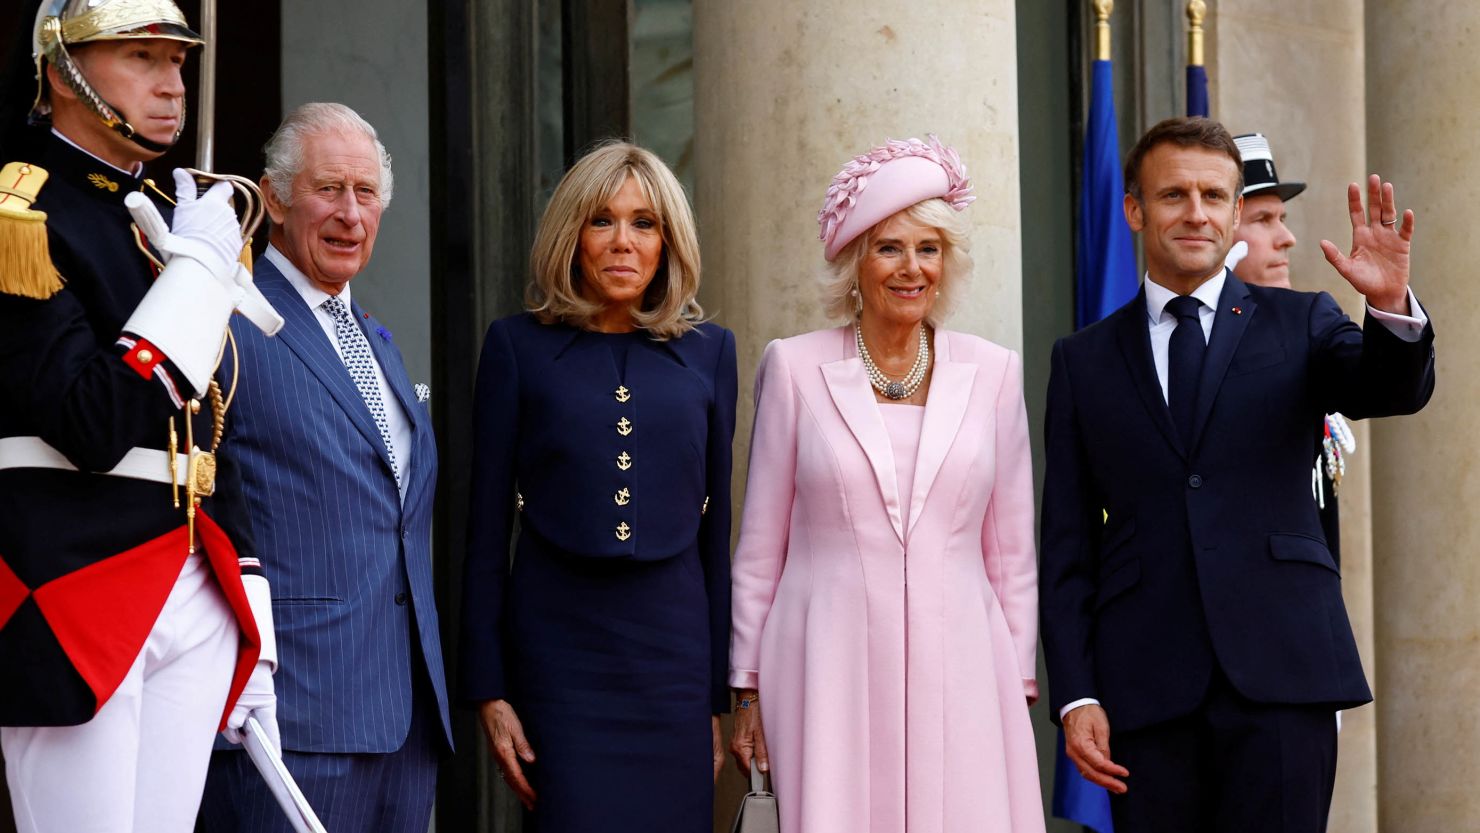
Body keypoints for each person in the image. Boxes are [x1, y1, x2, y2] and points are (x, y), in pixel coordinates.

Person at [1040, 116, 1435, 833]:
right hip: (1147, 691)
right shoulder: (1082, 360)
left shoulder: (1302, 321)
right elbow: (1066, 547)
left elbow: (1389, 389)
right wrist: (1076, 693)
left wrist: (1387, 307)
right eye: (1174, 196)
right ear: (1134, 209)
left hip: (1284, 678)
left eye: (1215, 197)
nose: (1197, 213)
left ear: (1232, 214)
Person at [0, 2, 278, 831]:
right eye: (142, 58)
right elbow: (89, 420)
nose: (172, 86)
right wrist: (194, 277)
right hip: (72, 579)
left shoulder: (162, 210)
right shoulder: (21, 211)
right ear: (63, 71)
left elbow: (210, 425)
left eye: (180, 63)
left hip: (190, 571)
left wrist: (248, 593)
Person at [728, 136, 1045, 833]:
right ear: (855, 264)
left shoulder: (994, 373)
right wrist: (746, 687)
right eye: (889, 248)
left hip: (963, 657)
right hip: (823, 661)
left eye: (928, 248)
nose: (911, 268)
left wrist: (1014, 677)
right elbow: (759, 546)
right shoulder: (793, 368)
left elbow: (1013, 551)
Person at [460, 141, 736, 832]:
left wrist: (716, 698)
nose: (623, 242)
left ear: (667, 242)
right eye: (602, 221)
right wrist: (490, 689)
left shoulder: (711, 353)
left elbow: (718, 534)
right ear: (572, 236)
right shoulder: (515, 348)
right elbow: (485, 534)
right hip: (560, 666)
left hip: (672, 668)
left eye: (644, 223)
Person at [197, 103, 451, 833]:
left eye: (365, 193)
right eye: (328, 189)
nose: (350, 213)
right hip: (288, 719)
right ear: (273, 198)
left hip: (403, 723)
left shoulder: (375, 337)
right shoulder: (229, 318)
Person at [1226, 132, 1349, 565]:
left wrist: (1391, 305)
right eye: (1263, 220)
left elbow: (1386, 380)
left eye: (1282, 217)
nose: (1287, 238)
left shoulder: (1306, 322)